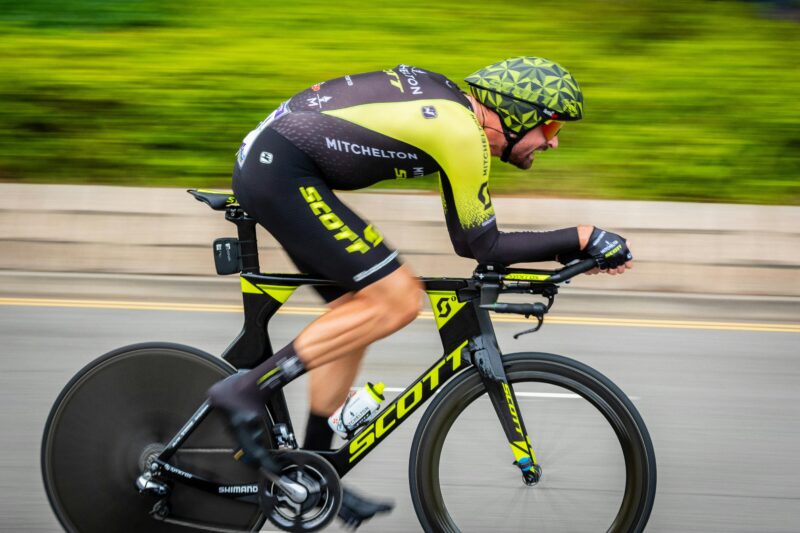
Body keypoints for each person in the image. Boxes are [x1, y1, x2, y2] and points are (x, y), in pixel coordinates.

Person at [208, 56, 633, 528]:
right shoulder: (460, 132)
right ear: (516, 114)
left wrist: (571, 246)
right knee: (399, 299)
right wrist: (581, 237)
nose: (552, 141)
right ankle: (245, 389)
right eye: (550, 126)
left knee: (361, 309)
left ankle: (312, 467)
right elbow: (484, 245)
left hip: (276, 163)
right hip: (281, 171)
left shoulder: (453, 117)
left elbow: (469, 242)